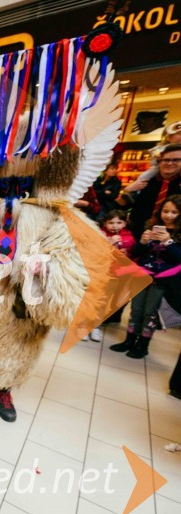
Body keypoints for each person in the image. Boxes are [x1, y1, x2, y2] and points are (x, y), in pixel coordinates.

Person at [110, 196, 181, 358]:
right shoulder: (152, 227)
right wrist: (142, 242)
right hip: (142, 274)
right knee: (136, 309)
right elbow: (136, 253)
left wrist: (169, 242)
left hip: (163, 280)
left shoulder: (178, 234)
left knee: (150, 313)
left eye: (174, 212)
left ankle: (142, 345)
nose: (168, 215)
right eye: (165, 211)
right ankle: (129, 340)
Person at [118, 143, 181, 239]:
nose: (170, 163)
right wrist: (127, 191)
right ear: (159, 162)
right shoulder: (145, 181)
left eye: (176, 160)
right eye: (166, 160)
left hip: (172, 238)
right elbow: (120, 206)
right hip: (137, 234)